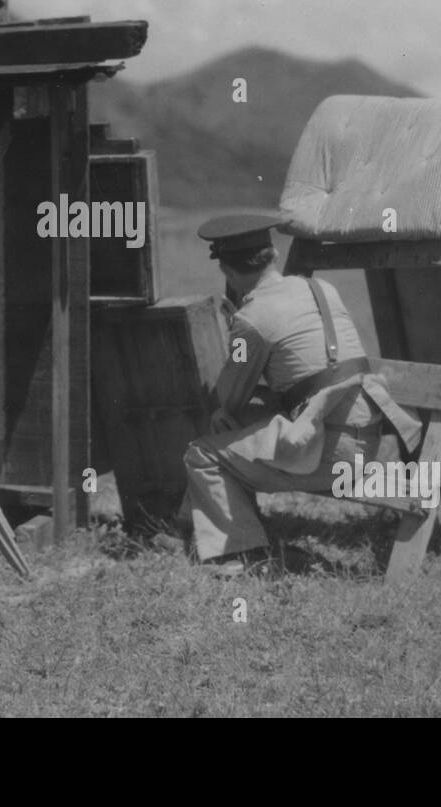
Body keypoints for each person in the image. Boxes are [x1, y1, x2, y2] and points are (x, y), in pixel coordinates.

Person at [180, 215, 420, 575]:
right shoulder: (322, 290)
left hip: (330, 454)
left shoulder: (252, 318)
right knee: (232, 429)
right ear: (273, 254)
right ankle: (191, 523)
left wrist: (237, 330)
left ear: (227, 273)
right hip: (364, 439)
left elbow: (228, 397)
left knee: (203, 454)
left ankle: (243, 555)